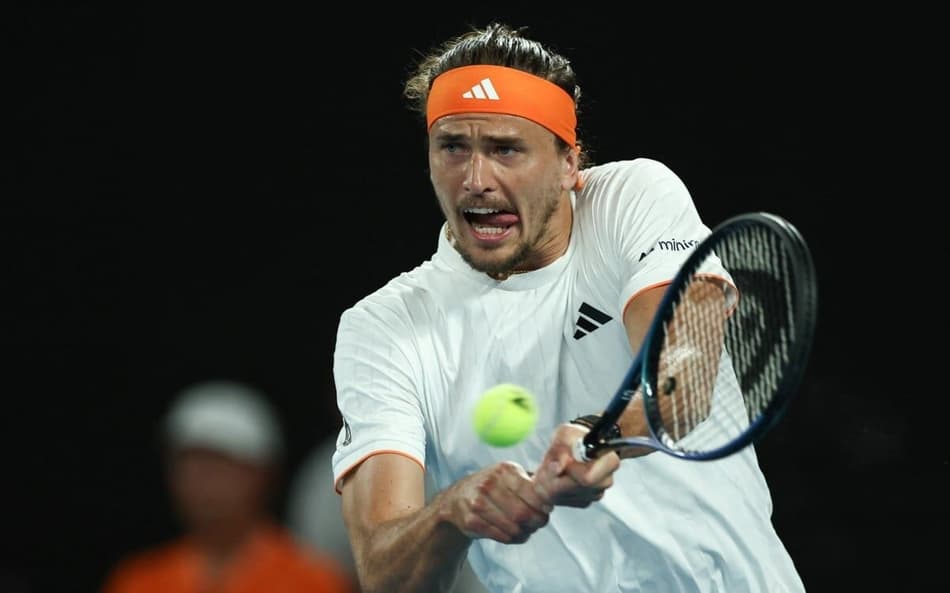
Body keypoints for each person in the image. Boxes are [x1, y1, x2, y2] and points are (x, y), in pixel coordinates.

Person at [329, 21, 808, 593]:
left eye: (506, 148)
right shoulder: (384, 328)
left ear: (567, 163)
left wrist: (600, 433)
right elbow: (385, 572)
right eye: (452, 146)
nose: (475, 180)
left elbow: (684, 378)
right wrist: (453, 511)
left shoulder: (634, 197)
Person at [100, 379, 356, 593]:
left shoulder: (312, 580)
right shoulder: (138, 580)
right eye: (190, 465)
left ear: (262, 475)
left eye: (219, 466)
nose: (202, 481)